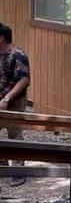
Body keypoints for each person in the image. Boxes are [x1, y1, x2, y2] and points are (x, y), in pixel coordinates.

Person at [0, 23, 30, 185]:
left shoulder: (18, 55)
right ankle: (3, 165)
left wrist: (7, 99)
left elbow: (24, 80)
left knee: (15, 135)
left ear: (1, 38)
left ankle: (19, 172)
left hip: (14, 100)